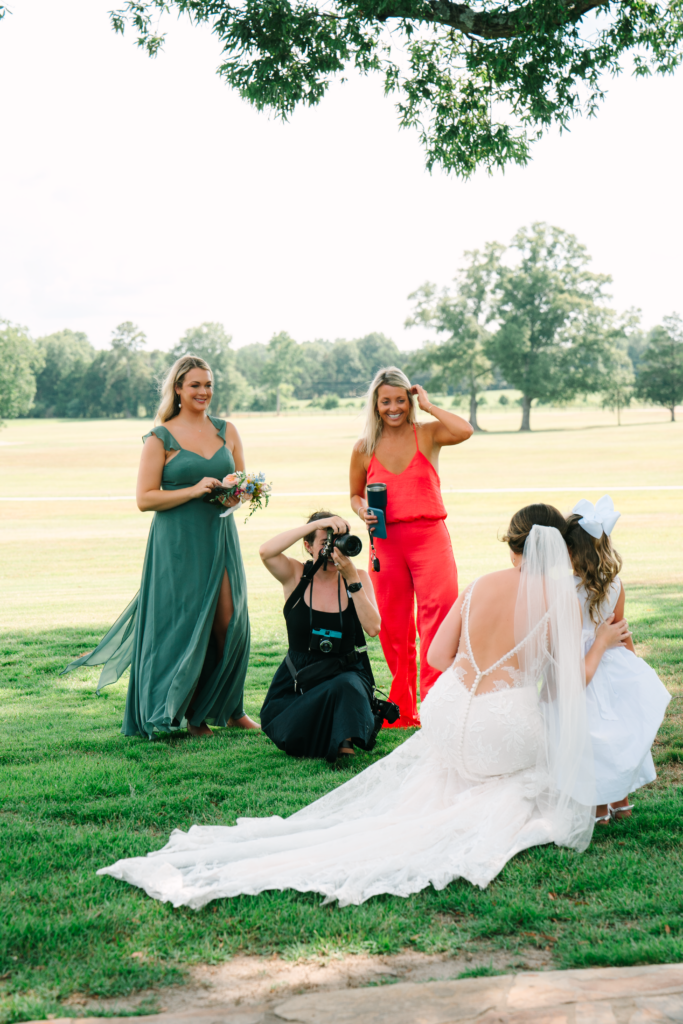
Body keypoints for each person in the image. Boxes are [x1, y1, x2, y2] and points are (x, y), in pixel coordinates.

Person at [96, 503, 597, 909]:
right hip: (495, 725)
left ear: (512, 545)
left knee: (438, 774)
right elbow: (564, 686)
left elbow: (437, 656)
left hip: (446, 714)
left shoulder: (480, 585)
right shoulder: (560, 599)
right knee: (526, 776)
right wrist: (598, 647)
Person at [63, 355, 258, 738]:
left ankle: (230, 707)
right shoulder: (160, 437)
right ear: (179, 390)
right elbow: (145, 499)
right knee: (181, 626)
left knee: (231, 621)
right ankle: (183, 713)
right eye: (195, 386)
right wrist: (194, 489)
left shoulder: (227, 431)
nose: (204, 392)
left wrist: (239, 495)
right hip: (177, 543)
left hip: (219, 537)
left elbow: (240, 484)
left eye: (209, 385)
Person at [349, 367, 473, 728]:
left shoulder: (429, 434)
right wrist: (362, 512)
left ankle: (435, 702)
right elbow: (355, 494)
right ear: (375, 403)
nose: (394, 408)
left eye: (400, 400)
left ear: (410, 400)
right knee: (393, 626)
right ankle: (403, 709)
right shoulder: (363, 447)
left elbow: (464, 430)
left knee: (438, 616)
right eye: (385, 401)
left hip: (429, 537)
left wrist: (430, 405)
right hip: (386, 543)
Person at [565, 496, 671, 825]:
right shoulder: (616, 584)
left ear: (572, 552)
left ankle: (599, 810)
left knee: (593, 740)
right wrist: (634, 668)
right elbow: (622, 631)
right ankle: (621, 804)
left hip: (586, 667)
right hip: (613, 665)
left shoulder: (567, 588)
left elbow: (570, 637)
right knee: (617, 735)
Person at [258, 512, 382, 762]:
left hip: (345, 672)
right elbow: (265, 552)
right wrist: (316, 525)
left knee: (344, 686)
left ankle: (342, 738)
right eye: (325, 541)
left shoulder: (357, 576)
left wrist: (352, 580)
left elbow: (373, 628)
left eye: (338, 540)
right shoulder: (295, 574)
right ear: (308, 545)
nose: (333, 548)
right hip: (300, 678)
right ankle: (330, 730)